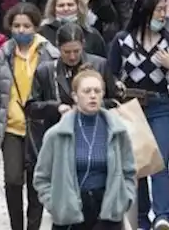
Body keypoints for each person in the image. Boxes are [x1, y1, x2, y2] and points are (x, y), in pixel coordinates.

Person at [106, 0, 169, 230]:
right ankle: (141, 218)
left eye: (165, 9)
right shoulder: (123, 40)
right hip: (131, 106)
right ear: (145, 10)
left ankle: (164, 216)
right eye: (159, 9)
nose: (163, 15)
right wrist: (116, 85)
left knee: (160, 161)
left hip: (160, 104)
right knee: (139, 164)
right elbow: (109, 72)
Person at [31, 67, 137, 230]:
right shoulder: (57, 134)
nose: (93, 96)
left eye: (97, 91)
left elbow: (129, 171)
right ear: (75, 96)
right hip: (69, 214)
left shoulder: (117, 131)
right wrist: (56, 204)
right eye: (87, 91)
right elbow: (41, 177)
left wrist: (123, 200)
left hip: (108, 211)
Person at [0, 3, 56, 230]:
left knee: (36, 182)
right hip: (12, 127)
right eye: (16, 26)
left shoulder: (49, 54)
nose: (21, 30)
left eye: (26, 26)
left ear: (36, 27)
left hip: (39, 128)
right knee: (13, 180)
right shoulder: (3, 55)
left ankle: (33, 226)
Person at [29, 21, 120, 136]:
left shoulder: (100, 65)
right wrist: (56, 107)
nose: (72, 57)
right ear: (58, 46)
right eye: (66, 52)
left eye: (76, 51)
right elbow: (31, 107)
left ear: (83, 44)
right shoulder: (46, 71)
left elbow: (114, 102)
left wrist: (90, 105)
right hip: (60, 133)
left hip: (96, 130)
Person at [40, 0, 109, 57]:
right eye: (61, 5)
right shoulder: (42, 32)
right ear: (53, 8)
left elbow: (102, 63)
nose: (66, 9)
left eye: (70, 5)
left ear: (78, 7)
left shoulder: (92, 34)